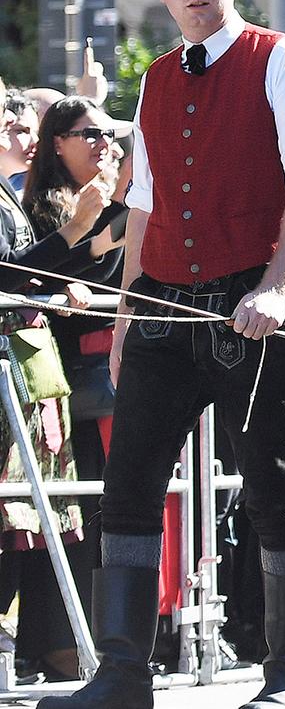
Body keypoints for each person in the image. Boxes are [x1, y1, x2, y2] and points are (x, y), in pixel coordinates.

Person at [44, 0, 285, 709]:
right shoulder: (154, 79)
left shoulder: (283, 59)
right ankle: (121, 673)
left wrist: (278, 288)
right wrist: (127, 315)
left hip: (257, 302)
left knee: (272, 484)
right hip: (166, 311)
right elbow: (141, 211)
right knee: (128, 487)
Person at [16, 99, 133, 680]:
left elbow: (109, 275)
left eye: (110, 133)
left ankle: (93, 643)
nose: (103, 142)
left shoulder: (109, 203)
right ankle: (53, 644)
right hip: (57, 378)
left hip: (96, 380)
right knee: (57, 519)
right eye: (89, 134)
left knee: (92, 517)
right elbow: (35, 277)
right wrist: (87, 235)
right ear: (56, 143)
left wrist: (112, 216)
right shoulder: (38, 205)